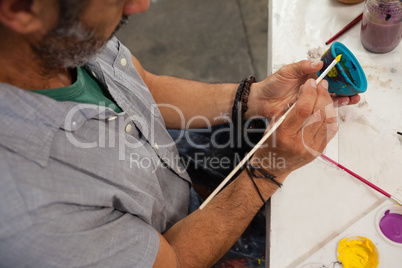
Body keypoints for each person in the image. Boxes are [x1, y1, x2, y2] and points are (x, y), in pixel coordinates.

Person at [0, 0, 360, 267]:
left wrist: (253, 99)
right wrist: (269, 170)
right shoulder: (32, 215)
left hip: (163, 169)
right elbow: (173, 259)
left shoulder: (58, 36)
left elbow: (144, 86)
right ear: (19, 9)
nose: (140, 4)